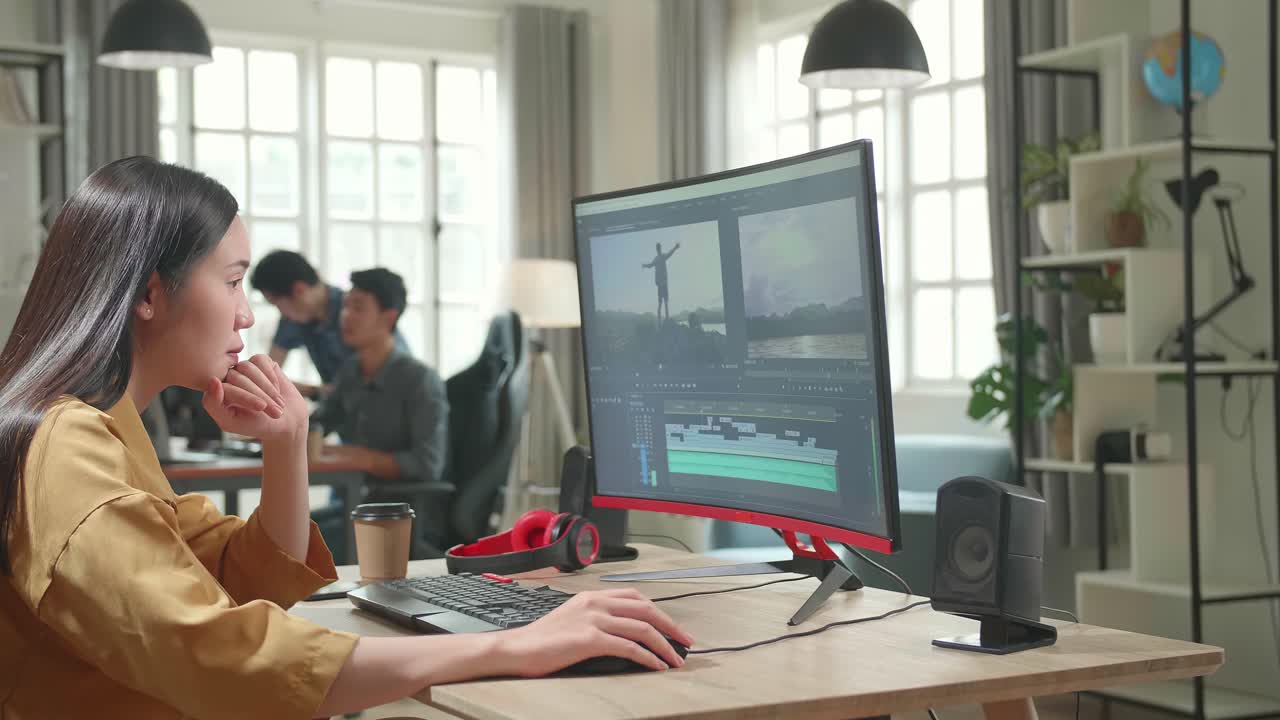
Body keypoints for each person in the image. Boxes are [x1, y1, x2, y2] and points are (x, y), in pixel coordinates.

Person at [0, 157, 692, 719]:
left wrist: (285, 445)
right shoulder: (71, 446)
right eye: (234, 282)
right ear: (150, 295)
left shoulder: (102, 425)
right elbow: (219, 651)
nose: (244, 315)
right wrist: (505, 645)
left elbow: (241, 578)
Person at [310, 267, 449, 552]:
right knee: (287, 530)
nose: (346, 315)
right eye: (346, 305)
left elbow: (427, 464)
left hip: (402, 517)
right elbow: (321, 422)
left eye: (358, 307)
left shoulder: (420, 380)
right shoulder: (351, 370)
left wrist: (361, 458)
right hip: (357, 506)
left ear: (389, 317)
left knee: (305, 543)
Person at [248, 250, 407, 398]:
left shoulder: (356, 314)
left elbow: (396, 373)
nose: (281, 313)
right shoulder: (295, 319)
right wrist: (317, 391)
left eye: (277, 304)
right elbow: (268, 376)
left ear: (299, 290)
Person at [641, 241, 680, 322]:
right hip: (663, 284)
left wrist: (644, 265)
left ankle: (661, 321)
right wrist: (675, 248)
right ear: (660, 248)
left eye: (658, 248)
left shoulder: (658, 258)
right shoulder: (661, 257)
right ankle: (665, 320)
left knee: (661, 303)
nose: (658, 249)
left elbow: (650, 265)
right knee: (664, 303)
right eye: (659, 248)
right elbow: (670, 253)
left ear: (657, 249)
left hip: (660, 284)